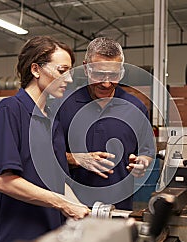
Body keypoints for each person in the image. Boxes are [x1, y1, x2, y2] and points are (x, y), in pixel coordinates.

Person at [0, 36, 89, 242]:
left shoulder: (51, 122)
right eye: (62, 70)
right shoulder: (9, 112)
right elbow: (2, 181)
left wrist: (82, 210)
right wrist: (64, 204)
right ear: (36, 69)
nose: (68, 78)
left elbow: (57, 179)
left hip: (46, 239)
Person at [55, 37, 155, 210]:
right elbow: (45, 156)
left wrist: (141, 163)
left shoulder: (136, 107)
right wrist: (74, 159)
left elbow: (147, 151)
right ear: (86, 68)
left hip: (119, 208)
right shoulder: (61, 105)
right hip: (69, 207)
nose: (107, 82)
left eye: (114, 75)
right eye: (99, 74)